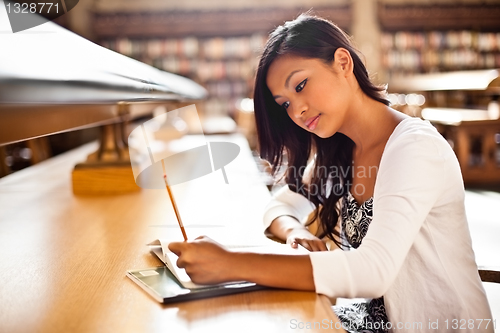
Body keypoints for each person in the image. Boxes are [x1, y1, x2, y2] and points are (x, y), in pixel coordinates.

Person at [169, 13, 493, 333]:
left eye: (301, 85)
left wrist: (230, 264)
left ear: (343, 63)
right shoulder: (342, 151)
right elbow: (279, 206)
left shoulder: (415, 148)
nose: (296, 110)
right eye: (284, 104)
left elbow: (373, 271)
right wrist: (295, 232)